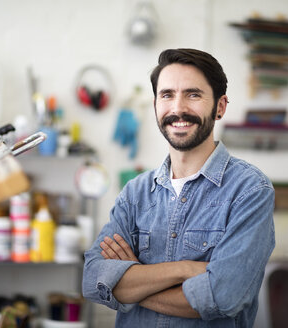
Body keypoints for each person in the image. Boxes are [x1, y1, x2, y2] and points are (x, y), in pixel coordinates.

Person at [82, 48, 275, 327]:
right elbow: (93, 279)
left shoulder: (250, 191)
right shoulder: (135, 193)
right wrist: (184, 270)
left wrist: (131, 279)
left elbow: (223, 296)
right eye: (167, 95)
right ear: (156, 105)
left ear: (220, 107)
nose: (178, 108)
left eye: (193, 94)